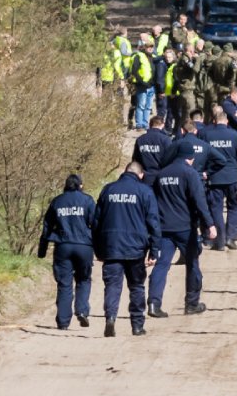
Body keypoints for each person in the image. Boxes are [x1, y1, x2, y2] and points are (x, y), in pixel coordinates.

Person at [148, 142, 218, 318]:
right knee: (192, 264)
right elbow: (199, 201)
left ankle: (154, 303)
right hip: (185, 228)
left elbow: (153, 200)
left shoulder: (161, 174)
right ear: (191, 158)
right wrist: (209, 224)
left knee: (162, 265)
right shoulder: (190, 174)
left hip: (163, 228)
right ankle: (192, 303)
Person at [93, 162, 159, 337]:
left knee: (112, 286)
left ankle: (110, 318)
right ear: (141, 175)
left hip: (111, 247)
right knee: (136, 286)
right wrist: (154, 250)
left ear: (124, 172)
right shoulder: (145, 192)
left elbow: (96, 223)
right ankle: (137, 326)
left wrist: (98, 249)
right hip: (136, 249)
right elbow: (153, 222)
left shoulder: (108, 190)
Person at [39, 174, 97, 330]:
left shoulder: (57, 201)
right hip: (84, 246)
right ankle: (82, 311)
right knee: (83, 279)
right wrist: (100, 249)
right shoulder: (88, 200)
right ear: (81, 186)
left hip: (62, 246)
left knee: (64, 284)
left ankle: (63, 322)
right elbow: (97, 224)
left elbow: (47, 227)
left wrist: (42, 250)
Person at [201, 107, 237, 251]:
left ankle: (219, 241)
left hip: (214, 177)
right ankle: (231, 237)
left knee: (216, 209)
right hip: (232, 177)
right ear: (226, 121)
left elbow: (200, 155)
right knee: (233, 207)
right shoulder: (234, 135)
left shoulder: (206, 135)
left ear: (214, 121)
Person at [132, 116, 172, 186]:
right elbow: (171, 159)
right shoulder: (166, 140)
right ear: (163, 125)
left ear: (150, 125)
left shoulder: (140, 139)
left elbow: (135, 160)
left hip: (145, 177)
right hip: (162, 177)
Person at [129, 39, 156, 130]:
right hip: (141, 85)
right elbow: (134, 71)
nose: (150, 48)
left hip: (151, 86)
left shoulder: (153, 57)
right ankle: (139, 124)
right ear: (144, 47)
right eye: (148, 46)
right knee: (141, 105)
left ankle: (145, 124)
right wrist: (141, 82)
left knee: (148, 107)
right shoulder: (138, 56)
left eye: (152, 46)